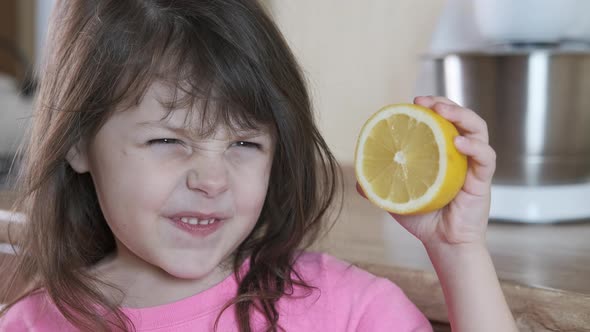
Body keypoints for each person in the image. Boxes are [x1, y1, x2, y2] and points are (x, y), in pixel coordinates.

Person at [0, 0, 517, 331]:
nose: (212, 179)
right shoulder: (30, 324)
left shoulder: (346, 309)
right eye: (166, 139)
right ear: (78, 144)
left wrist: (457, 252)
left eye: (244, 144)